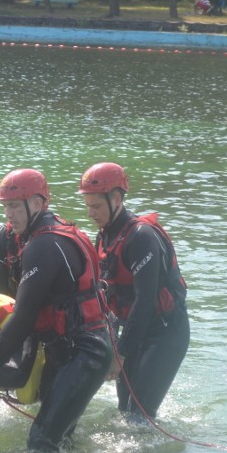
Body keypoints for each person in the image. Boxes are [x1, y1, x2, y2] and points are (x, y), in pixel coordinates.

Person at [0, 169, 112, 453]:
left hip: (84, 354)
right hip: (75, 349)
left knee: (41, 442)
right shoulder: (56, 233)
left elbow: (23, 317)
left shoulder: (43, 245)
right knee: (60, 438)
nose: (9, 214)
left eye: (15, 206)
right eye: (5, 206)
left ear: (38, 204)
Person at [77, 162, 190, 421]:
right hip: (135, 329)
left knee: (139, 415)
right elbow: (109, 297)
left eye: (96, 206)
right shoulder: (105, 236)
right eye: (88, 206)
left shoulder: (141, 237)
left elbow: (145, 300)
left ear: (116, 198)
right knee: (125, 410)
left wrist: (122, 353)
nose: (90, 213)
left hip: (165, 332)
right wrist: (112, 344)